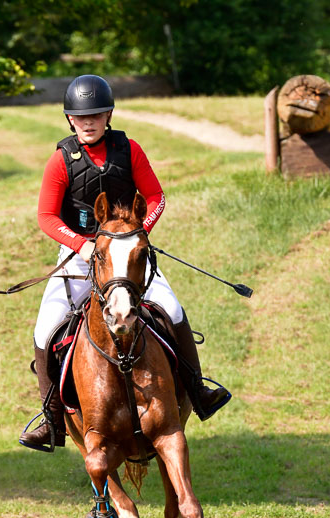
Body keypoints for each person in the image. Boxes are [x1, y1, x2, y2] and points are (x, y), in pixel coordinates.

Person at [20, 74, 230, 452]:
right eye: (81, 116)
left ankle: (197, 392)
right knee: (46, 327)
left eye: (96, 115)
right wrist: (80, 246)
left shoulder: (129, 149)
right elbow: (46, 217)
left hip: (129, 255)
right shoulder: (60, 161)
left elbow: (156, 196)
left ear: (109, 115)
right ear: (69, 119)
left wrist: (139, 233)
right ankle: (51, 421)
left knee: (172, 310)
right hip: (80, 254)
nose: (88, 122)